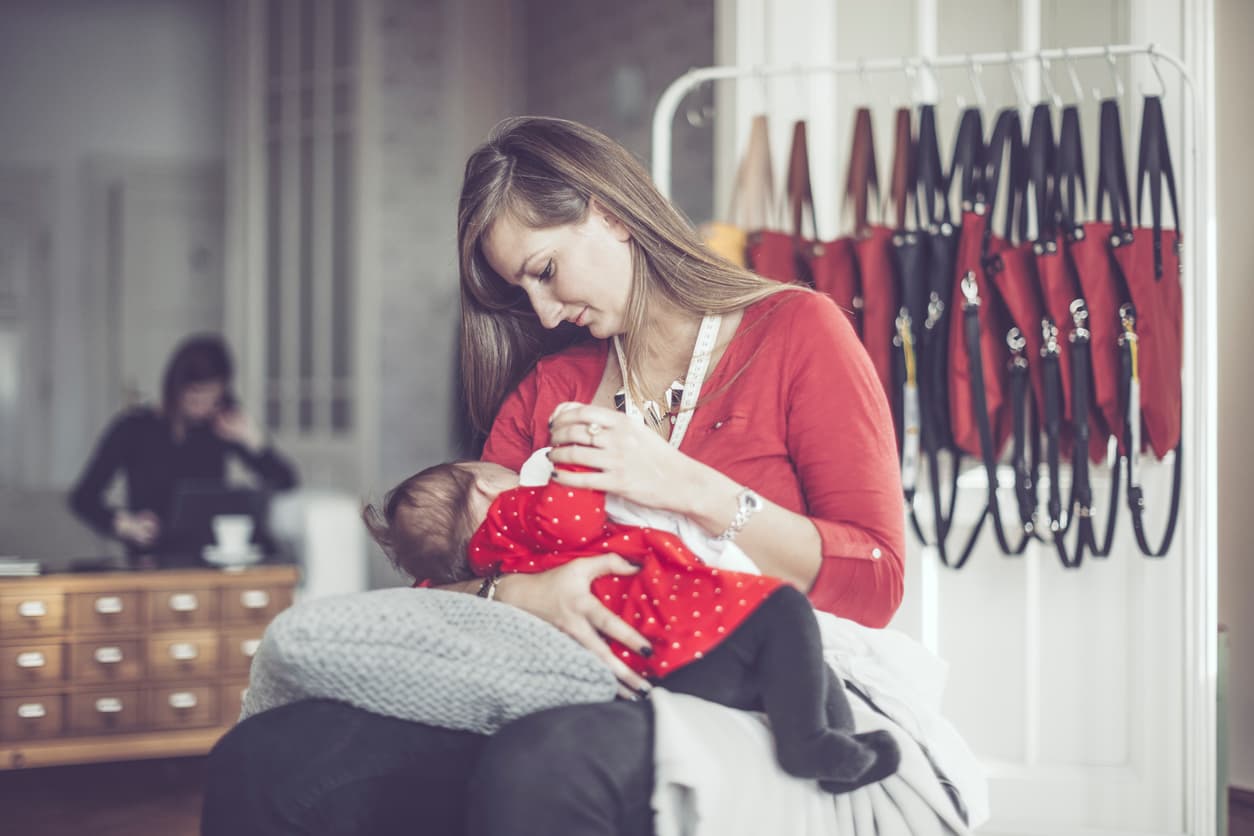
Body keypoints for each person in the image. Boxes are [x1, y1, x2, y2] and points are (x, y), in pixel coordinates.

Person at [202, 116, 904, 836]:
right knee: (267, 757)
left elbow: (875, 583)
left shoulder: (796, 332)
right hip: (559, 684)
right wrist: (520, 592)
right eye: (522, 289)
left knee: (540, 764)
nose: (541, 311)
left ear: (609, 213)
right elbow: (443, 580)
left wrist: (687, 484)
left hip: (746, 685)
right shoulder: (550, 388)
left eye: (544, 271)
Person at [362, 454, 901, 793]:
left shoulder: (492, 566)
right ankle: (808, 743)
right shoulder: (512, 517)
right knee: (784, 611)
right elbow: (572, 517)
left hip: (654, 666)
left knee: (796, 667)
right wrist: (576, 461)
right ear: (483, 490)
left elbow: (427, 598)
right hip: (678, 626)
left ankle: (831, 750)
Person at [69, 334, 298, 564]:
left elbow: (286, 481)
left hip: (210, 558)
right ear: (176, 389)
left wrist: (253, 440)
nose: (204, 408)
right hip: (154, 561)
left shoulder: (219, 427)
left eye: (212, 399)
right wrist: (126, 525)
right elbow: (83, 498)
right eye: (196, 398)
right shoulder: (133, 427)